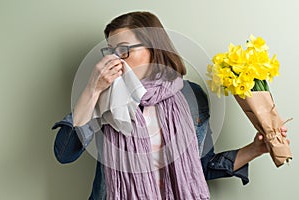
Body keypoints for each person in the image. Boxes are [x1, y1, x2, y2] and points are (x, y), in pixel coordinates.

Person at [52, 11, 289, 200]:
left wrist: (256, 149)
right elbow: (64, 153)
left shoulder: (190, 95)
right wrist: (92, 89)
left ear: (153, 48)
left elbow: (202, 166)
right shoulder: (106, 97)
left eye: (123, 50)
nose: (115, 59)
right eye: (111, 51)